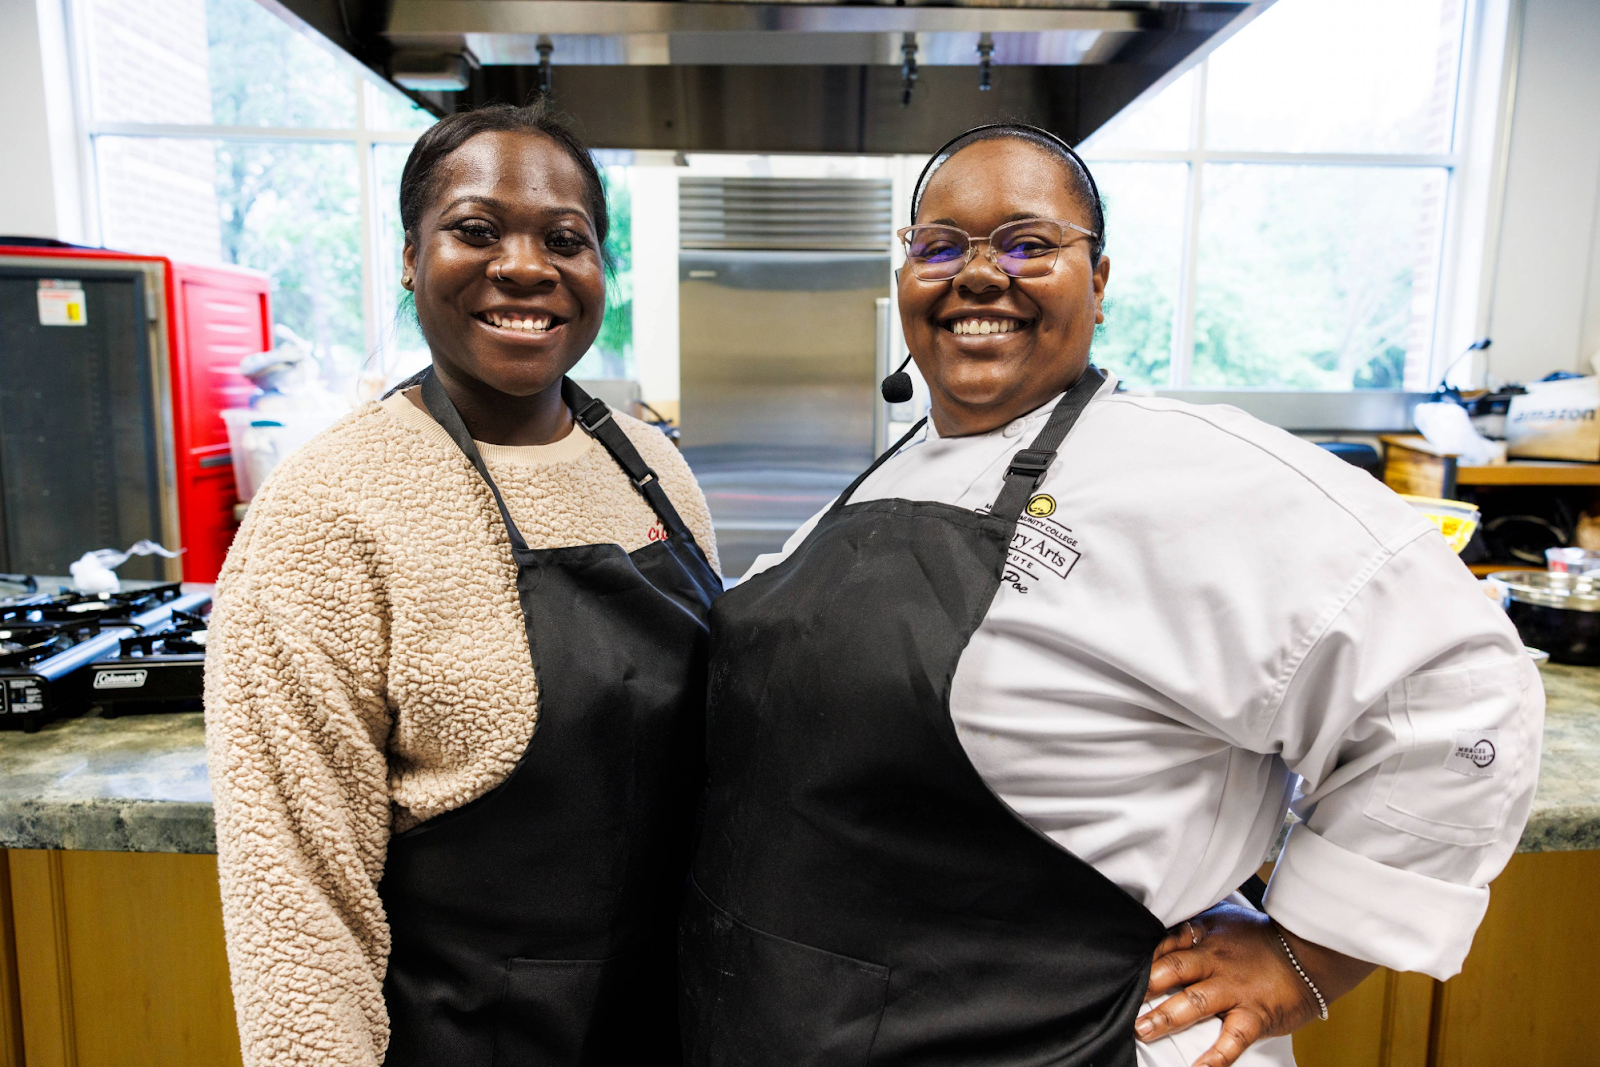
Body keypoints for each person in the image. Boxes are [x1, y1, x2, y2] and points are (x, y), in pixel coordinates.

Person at [679, 123, 1542, 1067]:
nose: (976, 273)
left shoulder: (1195, 473)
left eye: (1027, 243)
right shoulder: (895, 468)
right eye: (939, 245)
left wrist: (1308, 954)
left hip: (1065, 1038)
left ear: (1098, 280)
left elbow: (1459, 688)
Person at [205, 101, 720, 1066]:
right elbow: (298, 908)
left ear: (600, 266)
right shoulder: (328, 510)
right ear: (410, 256)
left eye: (565, 238)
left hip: (676, 1022)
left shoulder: (653, 468)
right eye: (476, 230)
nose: (525, 266)